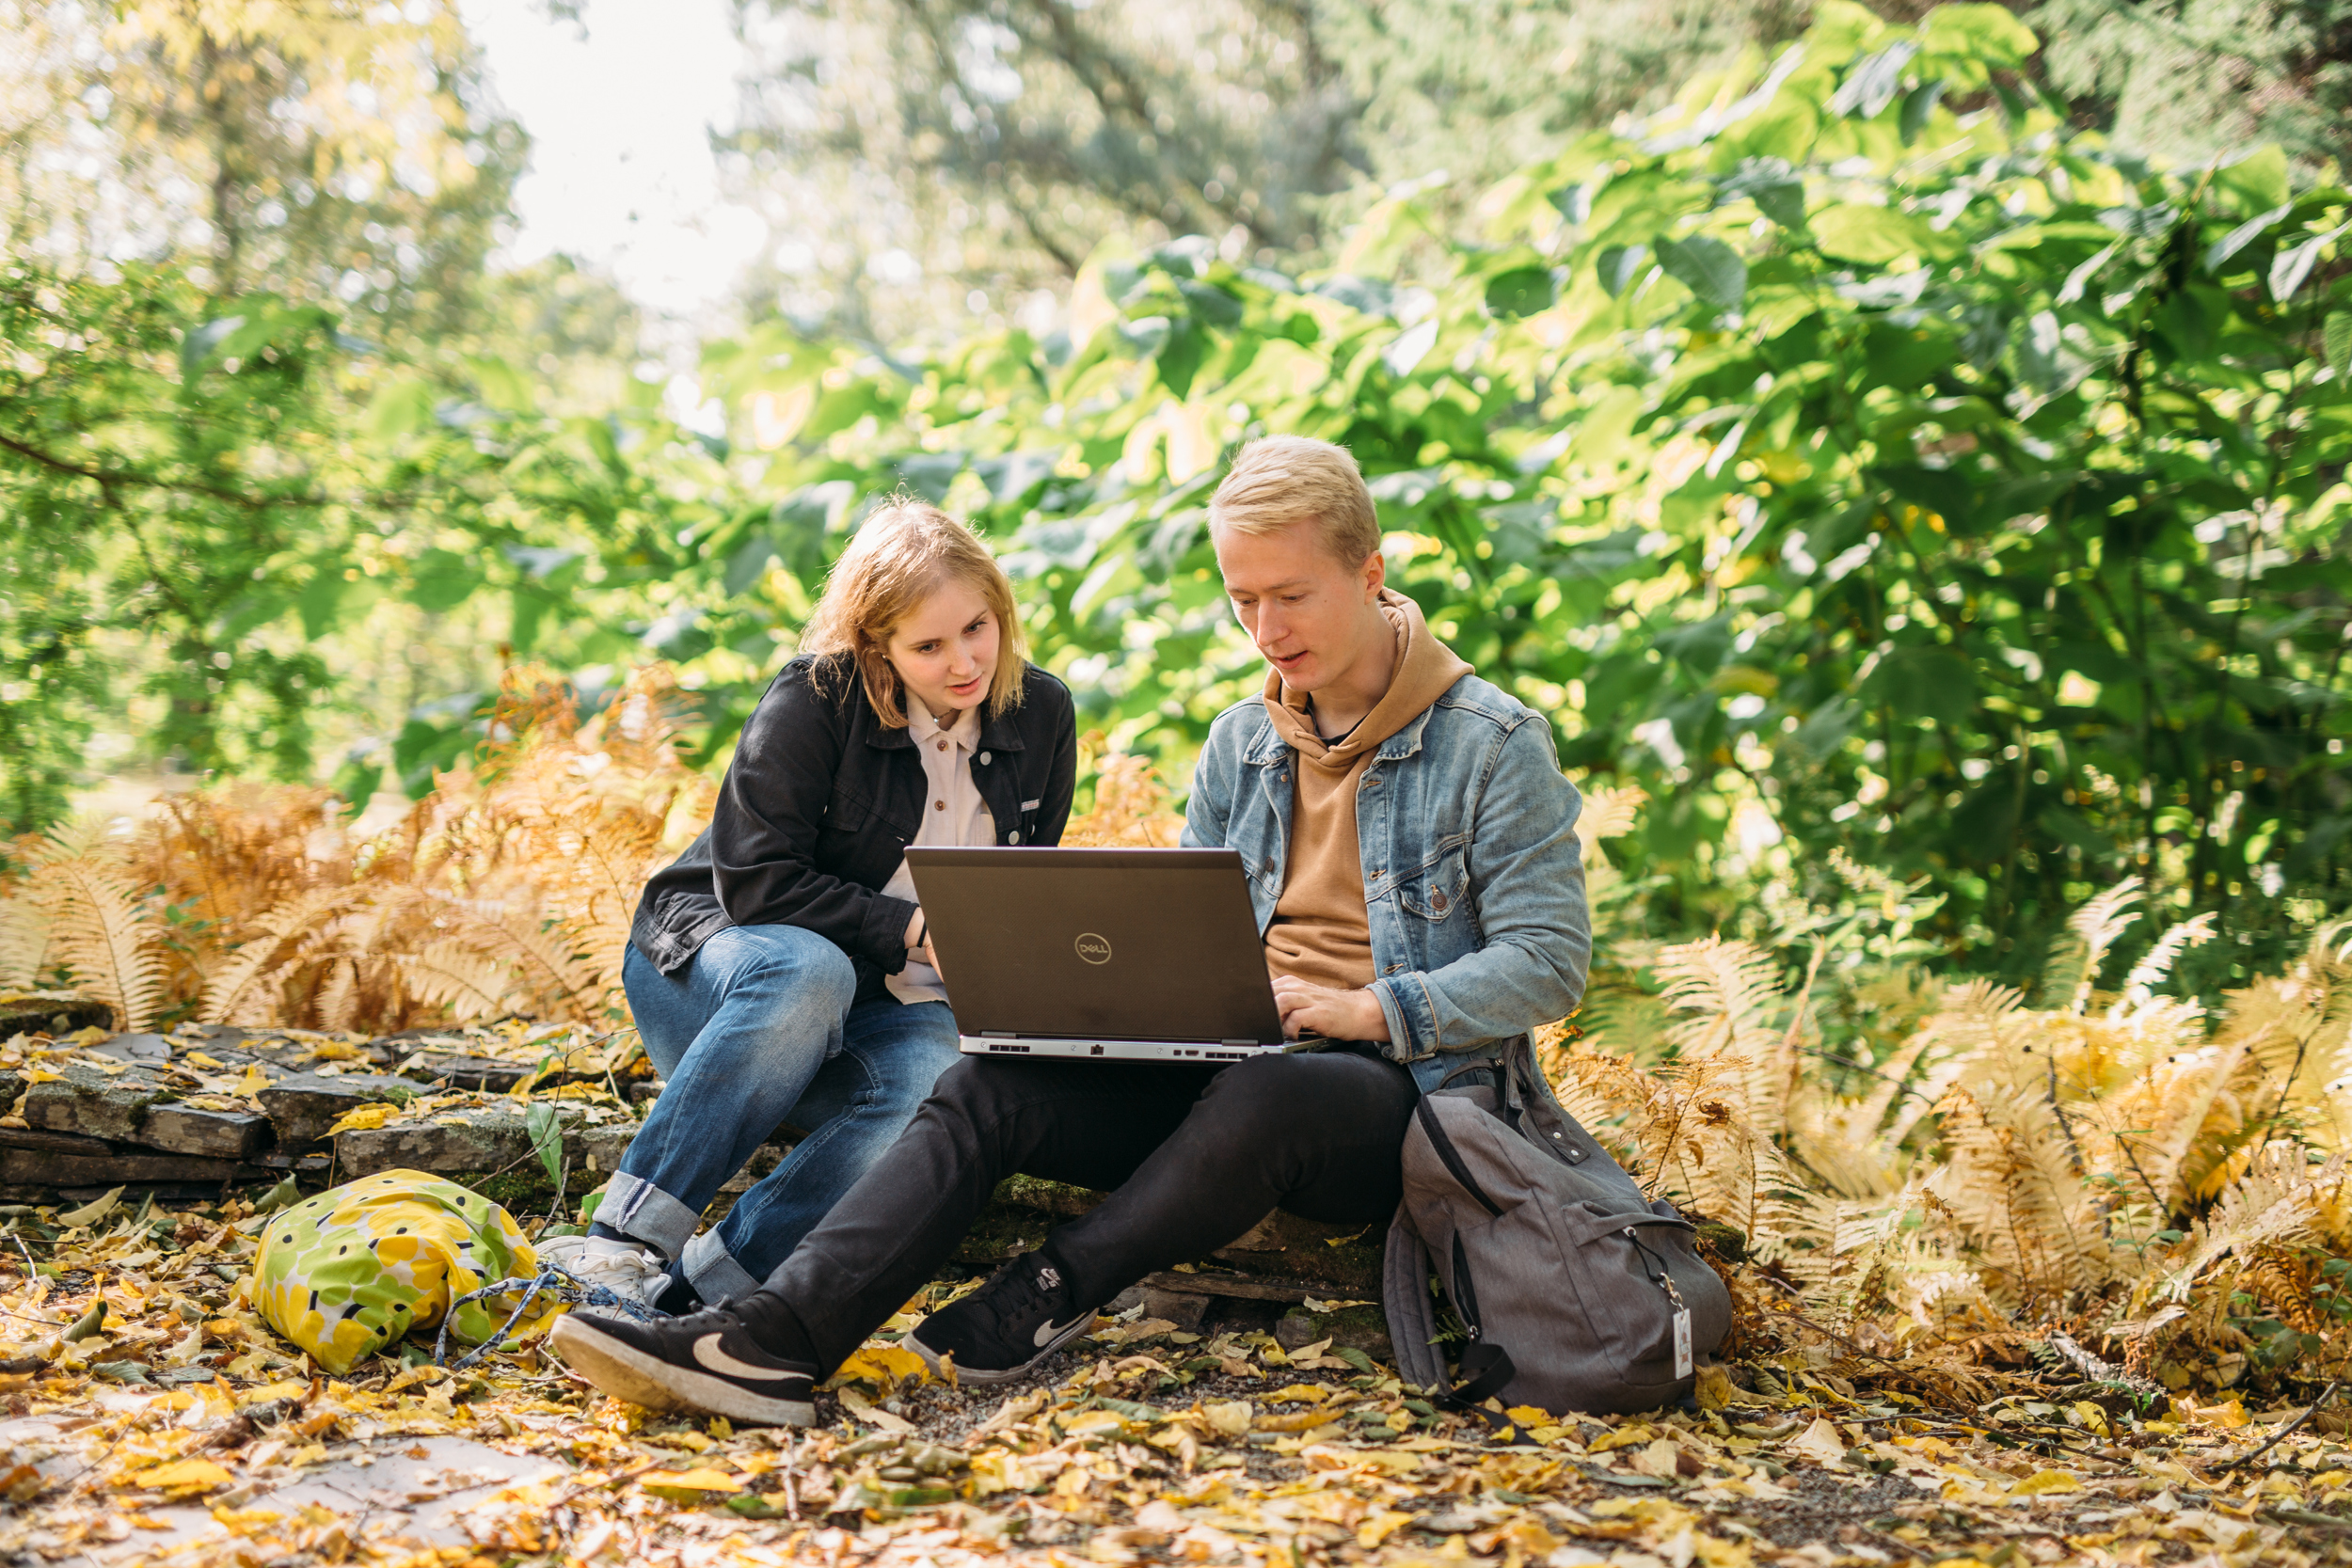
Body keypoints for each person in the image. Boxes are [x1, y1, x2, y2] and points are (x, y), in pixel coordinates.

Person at [548, 436, 1588, 1422]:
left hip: (1386, 1090)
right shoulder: (1241, 743)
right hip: (1229, 1060)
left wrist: (1369, 1005)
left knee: (1275, 1086)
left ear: (1370, 574)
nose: (1265, 629)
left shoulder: (1493, 744)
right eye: (1241, 600)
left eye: (1291, 595)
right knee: (981, 1083)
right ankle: (767, 1341)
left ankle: (1041, 1291)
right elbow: (1196, 929)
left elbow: (1549, 961)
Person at [538, 498, 1076, 1312]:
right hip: (715, 971)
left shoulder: (1041, 713)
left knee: (940, 1080)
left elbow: (1020, 891)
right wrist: (909, 926)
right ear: (878, 647)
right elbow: (755, 881)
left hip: (880, 1007)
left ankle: (702, 1296)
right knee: (810, 968)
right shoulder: (815, 699)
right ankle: (620, 1242)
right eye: (928, 646)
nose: (964, 660)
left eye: (977, 627)